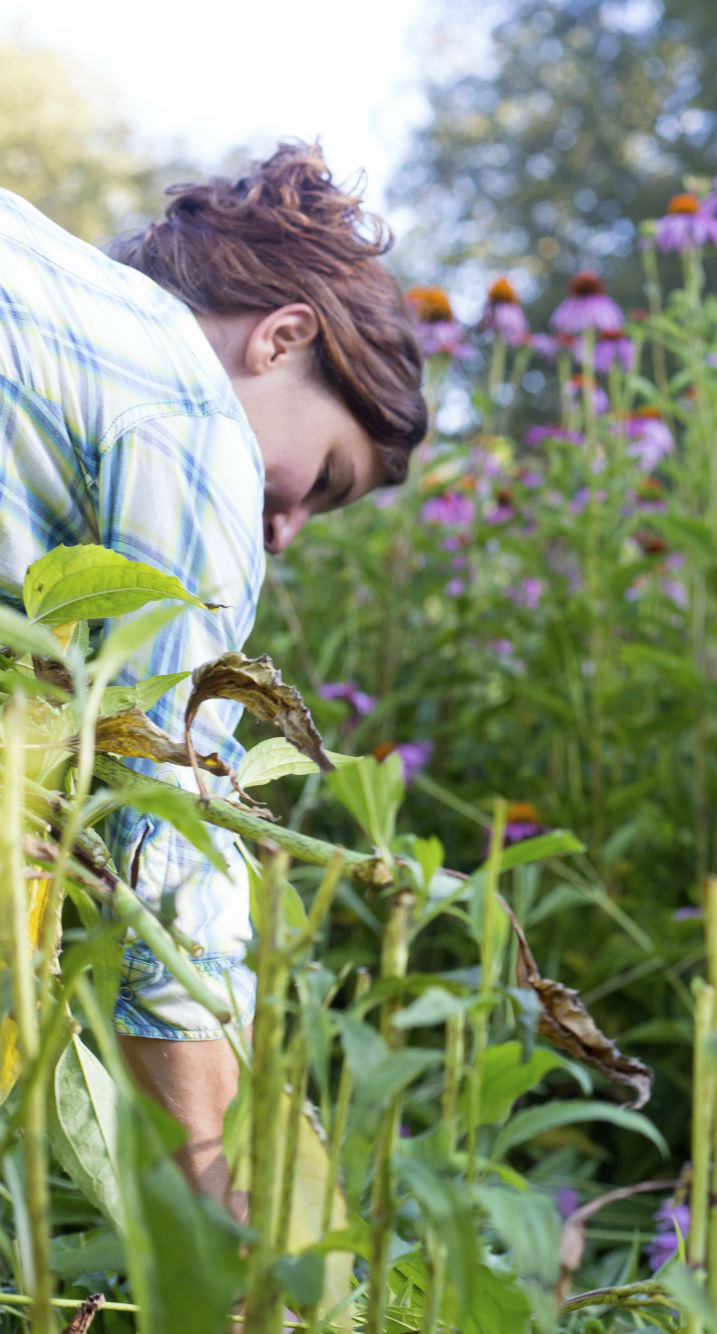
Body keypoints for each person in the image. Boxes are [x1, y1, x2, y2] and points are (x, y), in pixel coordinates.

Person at [0, 143, 427, 1208]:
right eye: (321, 481)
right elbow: (166, 811)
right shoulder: (190, 404)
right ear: (283, 337)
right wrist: (227, 1194)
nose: (282, 533)